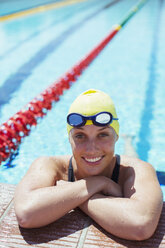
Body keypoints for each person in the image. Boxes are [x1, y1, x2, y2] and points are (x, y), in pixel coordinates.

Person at [14, 89, 163, 241]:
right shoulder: (49, 165)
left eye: (103, 135)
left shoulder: (139, 169)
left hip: (127, 161)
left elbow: (140, 226)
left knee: (131, 155)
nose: (91, 149)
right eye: (80, 136)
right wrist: (97, 183)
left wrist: (70, 194)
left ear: (115, 136)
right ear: (69, 139)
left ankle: (128, 141)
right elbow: (26, 214)